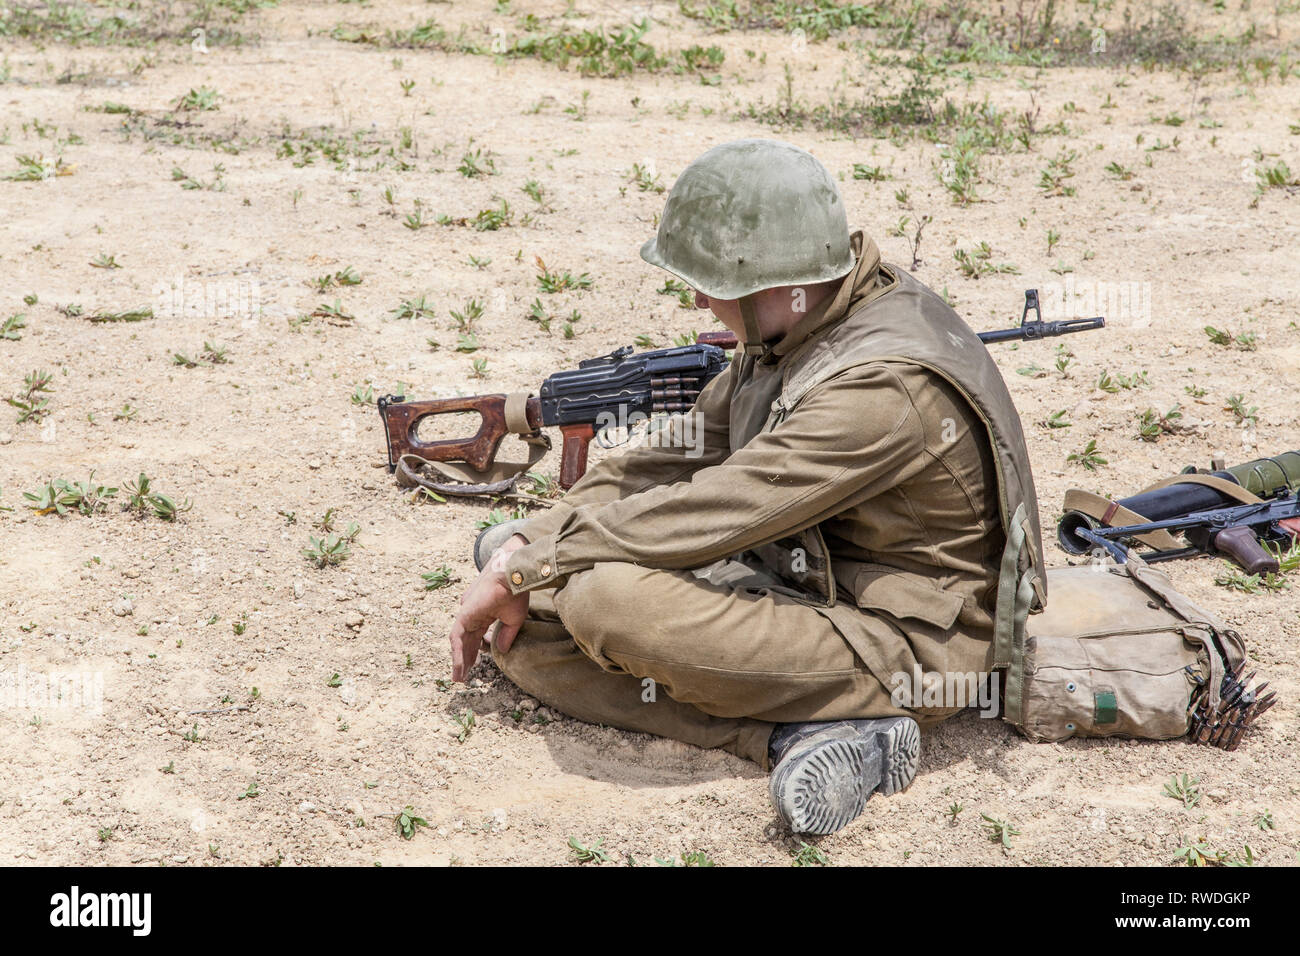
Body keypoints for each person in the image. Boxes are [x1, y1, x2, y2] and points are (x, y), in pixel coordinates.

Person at [448, 138, 1047, 835]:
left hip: (911, 642)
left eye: (712, 282)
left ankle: (792, 732)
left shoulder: (881, 388)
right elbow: (674, 461)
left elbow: (722, 507)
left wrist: (533, 564)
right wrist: (529, 541)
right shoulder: (804, 322)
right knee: (524, 634)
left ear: (770, 282)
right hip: (803, 579)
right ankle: (809, 735)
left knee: (604, 600)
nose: (700, 297)